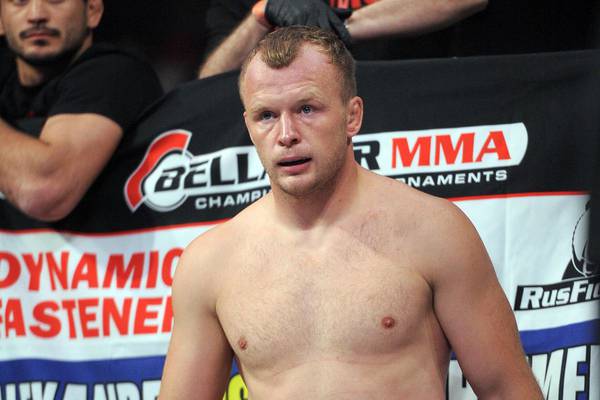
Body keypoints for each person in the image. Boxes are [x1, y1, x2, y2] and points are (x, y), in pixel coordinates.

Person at [160, 26, 543, 399]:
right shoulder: (211, 262)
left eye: (306, 109)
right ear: (249, 125)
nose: (286, 134)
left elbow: (506, 389)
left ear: (352, 116)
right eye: (267, 116)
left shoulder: (434, 232)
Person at [0, 0, 162, 221]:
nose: (36, 15)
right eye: (20, 2)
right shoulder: (5, 79)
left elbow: (43, 190)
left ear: (92, 10)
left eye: (55, 0)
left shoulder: (114, 73)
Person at [198, 0, 488, 78]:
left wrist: (340, 25)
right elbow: (210, 79)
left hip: (413, 113)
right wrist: (260, 17)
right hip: (306, 125)